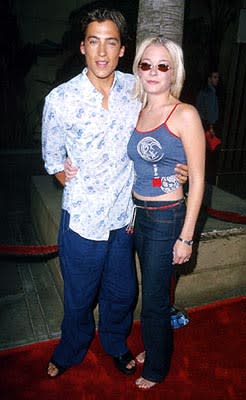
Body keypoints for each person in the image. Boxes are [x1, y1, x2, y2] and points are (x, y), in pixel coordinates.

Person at [42, 8, 188, 378]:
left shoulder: (135, 88)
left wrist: (178, 165)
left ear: (123, 50)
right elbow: (51, 158)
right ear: (82, 47)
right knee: (78, 298)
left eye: (111, 42)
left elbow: (166, 123)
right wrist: (64, 174)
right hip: (83, 220)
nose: (102, 52)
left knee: (122, 295)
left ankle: (115, 344)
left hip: (125, 220)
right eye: (94, 41)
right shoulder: (60, 99)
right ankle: (70, 350)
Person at [127, 36, 205, 389]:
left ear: (174, 72)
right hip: (139, 214)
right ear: (138, 69)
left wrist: (186, 237)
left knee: (155, 298)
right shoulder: (137, 111)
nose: (153, 72)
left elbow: (199, 180)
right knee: (151, 289)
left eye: (163, 65)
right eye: (146, 64)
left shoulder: (185, 113)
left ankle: (157, 366)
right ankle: (155, 344)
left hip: (167, 215)